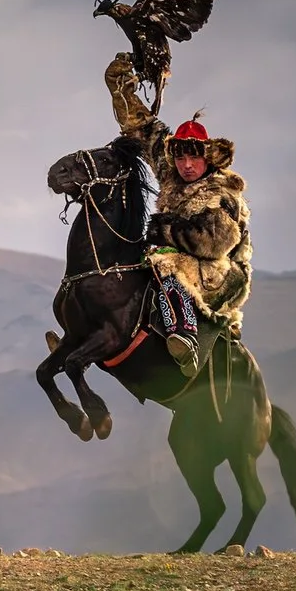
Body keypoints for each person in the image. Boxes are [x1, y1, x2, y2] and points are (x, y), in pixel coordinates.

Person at [104, 52, 254, 372]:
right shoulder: (172, 171)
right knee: (131, 262)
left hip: (222, 272)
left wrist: (166, 230)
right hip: (184, 255)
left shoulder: (223, 194)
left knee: (167, 263)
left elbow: (215, 243)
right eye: (181, 158)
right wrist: (119, 87)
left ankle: (184, 336)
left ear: (208, 158)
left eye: (194, 159)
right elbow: (142, 128)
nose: (186, 166)